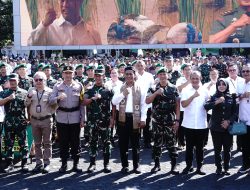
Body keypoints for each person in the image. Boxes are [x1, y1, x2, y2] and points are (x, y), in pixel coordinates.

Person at [49, 65, 85, 173]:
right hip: (62, 118)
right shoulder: (57, 86)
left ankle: (76, 164)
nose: (68, 75)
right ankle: (64, 164)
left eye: (70, 73)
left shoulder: (79, 86)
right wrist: (58, 98)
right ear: (63, 74)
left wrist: (83, 118)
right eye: (66, 73)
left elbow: (82, 104)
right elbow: (50, 101)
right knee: (63, 142)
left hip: (75, 117)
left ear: (73, 74)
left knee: (75, 142)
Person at [112, 66, 147, 174]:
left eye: (130, 74)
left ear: (134, 75)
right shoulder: (119, 87)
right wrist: (123, 94)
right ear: (124, 75)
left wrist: (143, 118)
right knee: (123, 144)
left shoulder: (140, 87)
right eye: (126, 74)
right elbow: (114, 102)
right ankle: (125, 165)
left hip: (135, 119)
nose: (128, 76)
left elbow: (144, 105)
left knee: (136, 144)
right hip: (122, 119)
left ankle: (136, 166)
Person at [146, 67, 180, 175]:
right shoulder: (153, 87)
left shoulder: (174, 88)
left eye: (164, 74)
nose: (162, 76)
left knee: (171, 142)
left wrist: (177, 120)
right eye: (160, 74)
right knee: (157, 142)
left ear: (168, 75)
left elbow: (177, 105)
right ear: (157, 76)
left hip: (170, 119)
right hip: (157, 120)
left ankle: (174, 165)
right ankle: (156, 165)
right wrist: (156, 93)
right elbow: (147, 101)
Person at [27, 0, 102, 46]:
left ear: (80, 2)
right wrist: (44, 25)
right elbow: (30, 46)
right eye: (62, 1)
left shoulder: (93, 33)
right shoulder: (48, 29)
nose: (65, 5)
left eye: (70, 0)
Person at [83, 69, 114, 173]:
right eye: (96, 76)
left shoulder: (108, 90)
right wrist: (93, 99)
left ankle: (106, 164)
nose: (98, 77)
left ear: (103, 76)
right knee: (92, 142)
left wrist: (113, 118)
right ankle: (92, 164)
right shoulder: (90, 89)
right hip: (92, 121)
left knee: (106, 142)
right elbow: (84, 102)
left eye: (100, 76)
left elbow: (113, 104)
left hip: (105, 120)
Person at [25, 72, 56, 174]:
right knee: (37, 143)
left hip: (46, 120)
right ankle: (39, 163)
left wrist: (48, 113)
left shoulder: (50, 91)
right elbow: (25, 104)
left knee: (47, 142)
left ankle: (46, 164)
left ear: (45, 80)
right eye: (36, 80)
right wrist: (29, 97)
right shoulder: (30, 90)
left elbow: (55, 106)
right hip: (34, 120)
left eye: (40, 80)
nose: (38, 82)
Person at [204, 78, 237, 175]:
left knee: (227, 149)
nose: (221, 86)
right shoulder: (214, 96)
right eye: (219, 84)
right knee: (217, 149)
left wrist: (229, 121)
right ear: (217, 86)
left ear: (227, 86)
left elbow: (235, 112)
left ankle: (226, 167)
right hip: (216, 128)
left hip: (228, 128)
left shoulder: (231, 97)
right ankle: (218, 167)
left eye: (224, 84)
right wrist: (217, 102)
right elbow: (206, 106)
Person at [181, 71, 209, 175]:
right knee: (189, 147)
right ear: (190, 78)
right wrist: (193, 96)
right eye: (193, 78)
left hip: (201, 123)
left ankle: (200, 167)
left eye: (197, 78)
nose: (195, 80)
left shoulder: (205, 90)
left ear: (200, 78)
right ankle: (189, 166)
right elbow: (183, 104)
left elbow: (209, 104)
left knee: (200, 148)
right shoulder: (186, 90)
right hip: (189, 123)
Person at [0, 73, 29, 173]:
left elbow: (28, 106)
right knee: (8, 144)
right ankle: (9, 164)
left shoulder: (24, 92)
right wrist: (8, 98)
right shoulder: (4, 93)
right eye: (11, 81)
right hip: (8, 120)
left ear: (18, 81)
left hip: (20, 120)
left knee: (23, 143)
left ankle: (24, 163)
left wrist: (28, 118)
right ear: (8, 81)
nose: (13, 82)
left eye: (14, 80)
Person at [135, 60, 154, 149]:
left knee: (147, 122)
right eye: (138, 65)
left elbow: (152, 88)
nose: (139, 67)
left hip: (147, 102)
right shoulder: (134, 75)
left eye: (141, 65)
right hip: (136, 102)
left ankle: (147, 141)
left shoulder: (149, 76)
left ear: (144, 66)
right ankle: (136, 141)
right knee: (136, 122)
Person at [238, 64, 250, 174]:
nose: (246, 73)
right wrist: (240, 96)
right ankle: (245, 165)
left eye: (248, 71)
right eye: (244, 71)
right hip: (242, 120)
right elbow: (236, 98)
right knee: (244, 146)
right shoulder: (240, 83)